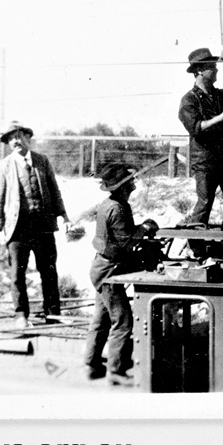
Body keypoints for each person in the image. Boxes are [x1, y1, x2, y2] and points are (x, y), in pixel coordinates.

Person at [84, 163, 159, 387]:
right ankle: (115, 371)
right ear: (123, 187)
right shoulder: (117, 209)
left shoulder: (110, 204)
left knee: (101, 319)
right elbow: (126, 243)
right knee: (123, 322)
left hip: (102, 267)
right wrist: (145, 228)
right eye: (131, 181)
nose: (134, 183)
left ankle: (91, 366)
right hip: (109, 271)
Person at [0, 121, 71, 328]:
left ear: (28, 137)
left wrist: (64, 215)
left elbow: (54, 190)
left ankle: (53, 314)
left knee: (49, 271)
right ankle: (21, 315)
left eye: (19, 136)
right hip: (17, 230)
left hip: (43, 227)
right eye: (11, 139)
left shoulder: (42, 161)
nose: (15, 141)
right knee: (17, 274)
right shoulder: (5, 165)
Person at [178, 47, 223, 232]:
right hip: (206, 161)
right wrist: (221, 117)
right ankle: (196, 245)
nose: (216, 69)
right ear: (199, 71)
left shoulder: (221, 96)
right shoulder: (189, 100)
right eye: (212, 66)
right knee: (205, 203)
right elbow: (196, 128)